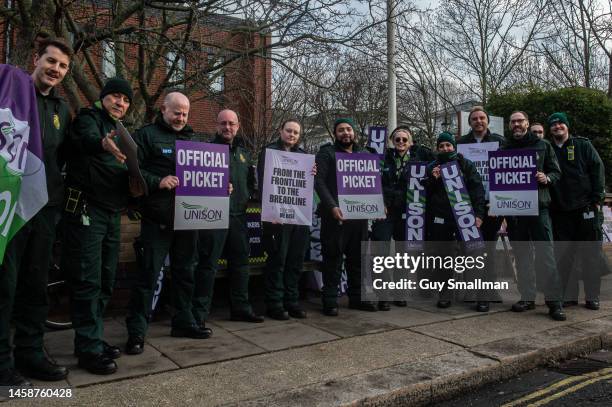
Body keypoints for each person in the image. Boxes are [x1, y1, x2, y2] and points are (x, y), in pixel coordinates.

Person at [0, 37, 72, 386]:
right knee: (5, 285)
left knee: (34, 286)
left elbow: (71, 155)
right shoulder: (10, 93)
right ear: (36, 58)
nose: (55, 69)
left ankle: (30, 354)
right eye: (51, 61)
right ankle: (1, 362)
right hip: (10, 207)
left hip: (45, 209)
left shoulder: (62, 110)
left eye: (62, 66)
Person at [124, 92, 210, 356]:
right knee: (148, 275)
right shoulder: (146, 136)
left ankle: (183, 322)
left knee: (186, 273)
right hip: (158, 219)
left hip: (188, 220)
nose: (181, 117)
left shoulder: (194, 139)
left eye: (185, 113)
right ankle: (137, 331)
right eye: (176, 112)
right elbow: (131, 169)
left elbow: (207, 174)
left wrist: (221, 186)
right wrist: (157, 181)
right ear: (163, 110)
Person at [62, 77, 136, 374]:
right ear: (103, 97)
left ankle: (93, 338)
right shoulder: (89, 119)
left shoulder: (121, 130)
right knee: (88, 280)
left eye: (126, 100)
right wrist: (102, 143)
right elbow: (86, 140)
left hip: (111, 212)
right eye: (115, 97)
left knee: (106, 279)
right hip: (86, 209)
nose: (121, 103)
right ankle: (88, 349)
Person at [194, 109, 263, 324]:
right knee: (207, 265)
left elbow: (252, 184)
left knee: (241, 265)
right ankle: (200, 313)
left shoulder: (244, 154)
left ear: (238, 126)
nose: (227, 127)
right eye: (223, 123)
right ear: (216, 125)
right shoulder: (205, 151)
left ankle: (241, 308)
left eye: (231, 124)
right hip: (212, 216)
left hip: (239, 217)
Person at [502, 111, 565, 321]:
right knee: (522, 257)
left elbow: (556, 173)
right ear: (509, 126)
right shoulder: (504, 148)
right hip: (514, 212)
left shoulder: (543, 145)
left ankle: (554, 302)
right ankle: (527, 297)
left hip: (539, 209)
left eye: (520, 121)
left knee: (546, 255)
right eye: (513, 122)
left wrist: (546, 177)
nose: (517, 124)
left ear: (527, 124)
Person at [315, 118, 376, 316]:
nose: (345, 133)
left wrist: (379, 206)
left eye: (348, 129)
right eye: (341, 130)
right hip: (335, 218)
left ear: (354, 133)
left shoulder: (365, 155)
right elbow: (320, 183)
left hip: (359, 218)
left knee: (357, 260)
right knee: (332, 260)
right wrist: (332, 206)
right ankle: (330, 301)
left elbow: (373, 184)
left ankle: (357, 299)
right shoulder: (326, 153)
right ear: (335, 134)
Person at [548, 112, 606, 310]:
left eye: (561, 123)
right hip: (560, 211)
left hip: (585, 209)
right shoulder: (548, 149)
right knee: (564, 256)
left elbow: (597, 169)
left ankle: (592, 296)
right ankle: (569, 296)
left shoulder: (583, 145)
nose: (557, 127)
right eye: (554, 125)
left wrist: (596, 200)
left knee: (591, 255)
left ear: (567, 126)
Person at [257, 119, 312, 320]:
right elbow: (263, 184)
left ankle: (292, 301)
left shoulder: (304, 156)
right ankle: (275, 303)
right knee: (277, 261)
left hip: (298, 218)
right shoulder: (269, 152)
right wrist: (270, 213)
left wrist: (311, 173)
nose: (292, 135)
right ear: (281, 131)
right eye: (289, 131)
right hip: (277, 219)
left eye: (296, 132)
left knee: (295, 262)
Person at [372, 126, 433, 310]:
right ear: (391, 141)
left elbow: (437, 169)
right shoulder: (382, 159)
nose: (401, 143)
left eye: (404, 140)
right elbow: (371, 179)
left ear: (411, 142)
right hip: (385, 211)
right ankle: (382, 295)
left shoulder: (420, 160)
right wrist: (377, 201)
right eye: (397, 139)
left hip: (409, 212)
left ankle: (399, 292)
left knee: (403, 255)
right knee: (379, 253)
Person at [424, 132, 486, 308]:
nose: (445, 149)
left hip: (465, 217)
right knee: (443, 257)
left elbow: (477, 191)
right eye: (441, 146)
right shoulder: (431, 167)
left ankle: (473, 293)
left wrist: (479, 215)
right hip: (441, 219)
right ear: (437, 148)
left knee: (473, 255)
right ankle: (445, 294)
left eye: (448, 145)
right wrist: (433, 180)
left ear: (454, 147)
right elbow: (424, 194)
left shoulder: (466, 164)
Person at [457, 106, 505, 312]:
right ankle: (474, 291)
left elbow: (507, 172)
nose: (478, 121)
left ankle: (487, 292)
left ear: (487, 120)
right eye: (474, 119)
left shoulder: (500, 143)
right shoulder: (460, 144)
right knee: (472, 251)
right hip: (467, 206)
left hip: (492, 205)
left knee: (489, 250)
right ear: (470, 122)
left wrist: (502, 203)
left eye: (482, 118)